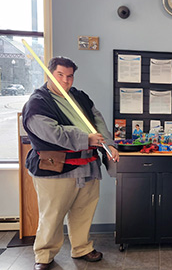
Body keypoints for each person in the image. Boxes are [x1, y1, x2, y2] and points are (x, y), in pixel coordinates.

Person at [22, 56, 120, 270]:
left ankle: (82, 248)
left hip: (87, 166)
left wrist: (108, 143)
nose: (65, 81)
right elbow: (50, 131)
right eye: (60, 75)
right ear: (49, 74)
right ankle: (45, 255)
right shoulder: (37, 102)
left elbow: (98, 120)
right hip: (56, 168)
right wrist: (86, 139)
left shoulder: (79, 97)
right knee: (52, 215)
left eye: (69, 76)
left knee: (84, 210)